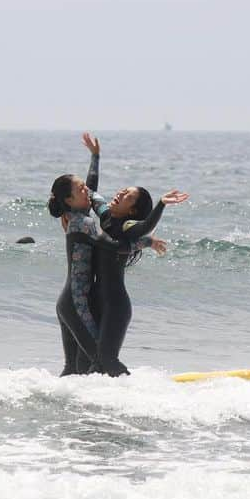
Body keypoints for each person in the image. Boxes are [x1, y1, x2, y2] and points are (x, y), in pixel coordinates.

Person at [48, 134, 157, 377]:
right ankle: (141, 392)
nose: (85, 190)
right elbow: (113, 245)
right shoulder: (83, 223)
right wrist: (147, 242)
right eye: (79, 189)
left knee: (76, 367)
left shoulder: (77, 214)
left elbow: (91, 187)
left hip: (68, 303)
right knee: (100, 360)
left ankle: (57, 405)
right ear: (69, 200)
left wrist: (95, 157)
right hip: (76, 305)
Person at [91, 183, 187, 374]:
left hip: (115, 305)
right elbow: (92, 195)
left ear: (132, 210)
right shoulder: (106, 217)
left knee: (107, 359)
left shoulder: (127, 226)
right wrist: (95, 157)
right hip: (97, 299)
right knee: (94, 359)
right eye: (123, 190)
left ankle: (139, 391)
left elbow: (145, 226)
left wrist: (161, 204)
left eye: (128, 195)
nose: (121, 192)